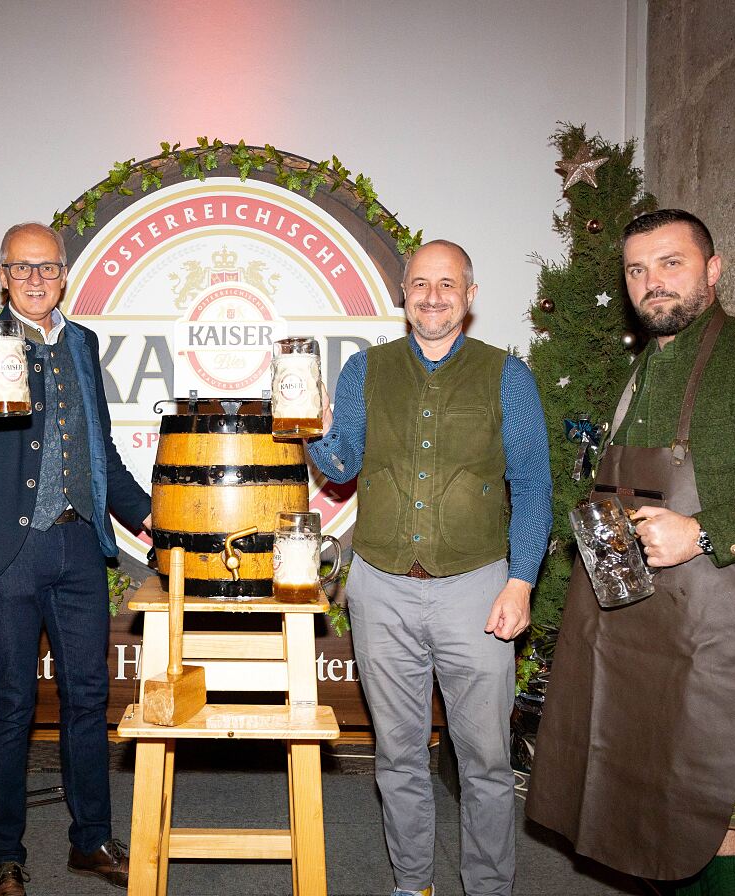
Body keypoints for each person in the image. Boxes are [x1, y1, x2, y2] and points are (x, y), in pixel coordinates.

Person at [526, 209, 735, 895]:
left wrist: (700, 531)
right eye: (637, 270)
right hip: (642, 626)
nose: (653, 283)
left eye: (670, 263)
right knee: (657, 808)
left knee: (721, 812)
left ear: (713, 269)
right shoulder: (645, 368)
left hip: (724, 627)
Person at [305, 240, 553, 896]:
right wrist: (306, 427)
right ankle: (411, 886)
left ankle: (488, 890)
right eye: (420, 283)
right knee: (398, 758)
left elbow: (533, 486)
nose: (433, 295)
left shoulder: (508, 374)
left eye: (448, 284)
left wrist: (521, 581)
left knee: (486, 762)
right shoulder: (365, 370)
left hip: (478, 589)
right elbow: (342, 465)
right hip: (381, 587)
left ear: (469, 297)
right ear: (404, 295)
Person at [0, 222, 151, 896]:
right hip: (8, 552)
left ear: (63, 274)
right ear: (2, 275)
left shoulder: (83, 342)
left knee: (88, 697)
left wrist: (149, 517)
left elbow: (100, 450)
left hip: (79, 545)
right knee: (13, 703)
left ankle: (90, 840)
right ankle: (3, 855)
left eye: (46, 267)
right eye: (21, 268)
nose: (34, 278)